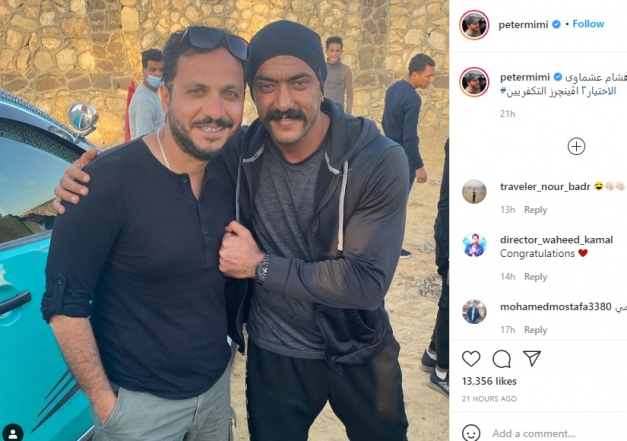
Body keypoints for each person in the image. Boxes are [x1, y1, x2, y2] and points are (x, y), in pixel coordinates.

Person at [54, 20, 410, 441]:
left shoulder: (375, 159)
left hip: (358, 345)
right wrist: (89, 177)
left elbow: (367, 282)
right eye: (265, 86)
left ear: (322, 83)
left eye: (299, 83)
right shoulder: (241, 148)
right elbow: (172, 147)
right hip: (272, 353)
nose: (283, 102)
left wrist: (260, 266)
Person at [42, 26, 249, 441]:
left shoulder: (234, 167)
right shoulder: (101, 184)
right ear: (165, 98)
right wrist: (108, 408)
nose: (215, 110)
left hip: (214, 394)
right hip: (138, 412)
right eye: (197, 91)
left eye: (230, 93)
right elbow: (65, 308)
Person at [382, 53, 435, 258]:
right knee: (398, 204)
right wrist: (418, 165)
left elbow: (385, 121)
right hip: (403, 157)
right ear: (415, 74)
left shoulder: (393, 89)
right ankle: (392, 248)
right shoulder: (413, 98)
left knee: (388, 201)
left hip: (389, 152)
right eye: (428, 76)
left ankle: (382, 243)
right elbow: (410, 137)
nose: (431, 80)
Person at [420, 139, 449, 398]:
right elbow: (448, 202)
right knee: (454, 302)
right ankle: (442, 372)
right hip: (459, 238)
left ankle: (433, 353)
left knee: (449, 300)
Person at [128, 48, 166, 138]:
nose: (158, 74)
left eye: (161, 70)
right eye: (153, 70)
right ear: (144, 71)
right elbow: (143, 139)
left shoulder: (151, 93)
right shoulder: (144, 100)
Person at [323, 36, 354, 114]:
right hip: (323, 110)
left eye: (337, 51)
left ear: (341, 52)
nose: (334, 54)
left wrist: (348, 113)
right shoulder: (322, 68)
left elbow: (350, 93)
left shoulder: (345, 70)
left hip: (338, 112)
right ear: (326, 51)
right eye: (332, 50)